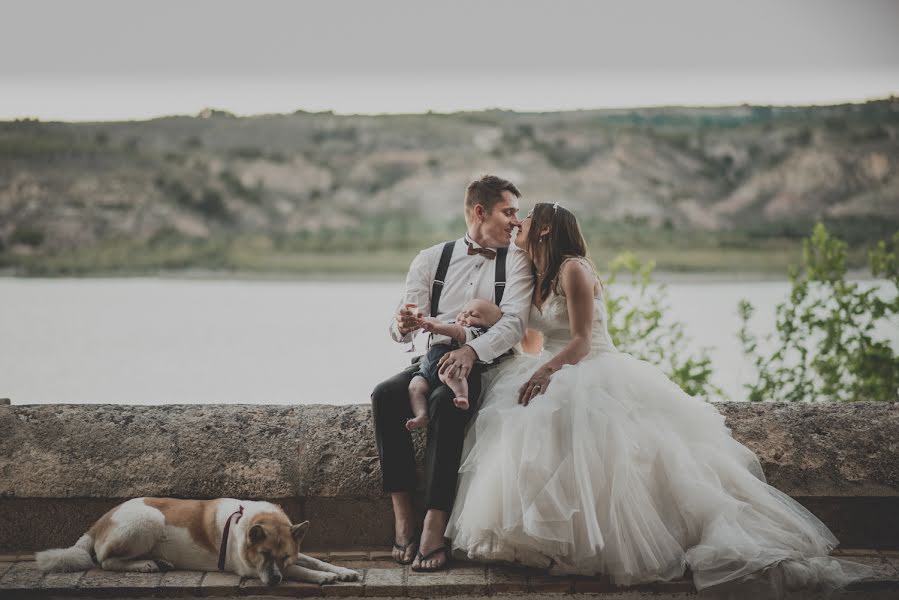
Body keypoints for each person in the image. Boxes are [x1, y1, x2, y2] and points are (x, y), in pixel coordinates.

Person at [445, 202, 872, 594]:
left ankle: (596, 546)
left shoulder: (574, 269)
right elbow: (537, 336)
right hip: (557, 366)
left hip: (589, 368)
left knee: (582, 434)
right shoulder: (538, 274)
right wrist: (497, 320)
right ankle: (545, 542)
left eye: (526, 221)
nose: (518, 224)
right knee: (517, 418)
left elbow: (580, 342)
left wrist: (544, 372)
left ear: (545, 231)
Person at [371, 175, 534, 572]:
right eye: (508, 211)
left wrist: (470, 350)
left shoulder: (518, 260)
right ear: (480, 211)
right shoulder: (431, 258)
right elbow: (399, 326)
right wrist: (404, 324)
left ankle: (434, 523)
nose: (517, 221)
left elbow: (514, 323)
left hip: (486, 362)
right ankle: (403, 515)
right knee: (383, 395)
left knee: (447, 403)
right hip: (431, 359)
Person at [406, 299, 504, 430]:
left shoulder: (476, 332)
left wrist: (435, 328)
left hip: (447, 367)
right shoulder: (449, 324)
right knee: (415, 387)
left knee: (454, 376)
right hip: (426, 370)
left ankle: (461, 396)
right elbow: (437, 322)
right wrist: (423, 320)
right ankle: (421, 415)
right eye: (463, 312)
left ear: (488, 325)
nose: (465, 315)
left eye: (473, 315)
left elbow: (457, 332)